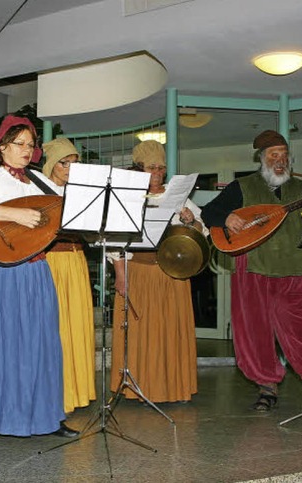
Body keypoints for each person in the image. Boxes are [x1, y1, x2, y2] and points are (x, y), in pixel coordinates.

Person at [0, 115, 78, 444]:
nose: (25, 149)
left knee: (40, 344)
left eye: (30, 145)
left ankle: (46, 415)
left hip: (34, 270)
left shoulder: (37, 182)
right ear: (2, 145)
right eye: (18, 143)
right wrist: (13, 213)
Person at [201, 130, 302, 411]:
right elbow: (207, 213)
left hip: (294, 268)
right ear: (262, 159)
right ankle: (266, 387)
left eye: (284, 155)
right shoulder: (241, 187)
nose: (280, 160)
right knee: (255, 330)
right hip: (253, 268)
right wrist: (228, 217)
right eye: (274, 155)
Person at [109, 140, 203, 403]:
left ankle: (172, 388)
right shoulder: (127, 196)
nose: (158, 173)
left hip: (172, 273)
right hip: (137, 271)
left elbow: (201, 230)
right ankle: (136, 388)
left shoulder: (177, 196)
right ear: (139, 168)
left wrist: (190, 220)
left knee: (170, 334)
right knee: (139, 335)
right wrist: (120, 273)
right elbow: (114, 238)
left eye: (161, 168)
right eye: (152, 168)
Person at [42, 138, 96, 414]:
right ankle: (57, 392)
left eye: (74, 163)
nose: (70, 169)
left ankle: (77, 390)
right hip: (51, 261)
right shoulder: (38, 189)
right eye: (64, 163)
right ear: (52, 163)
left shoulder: (81, 193)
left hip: (76, 260)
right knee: (56, 326)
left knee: (77, 323)